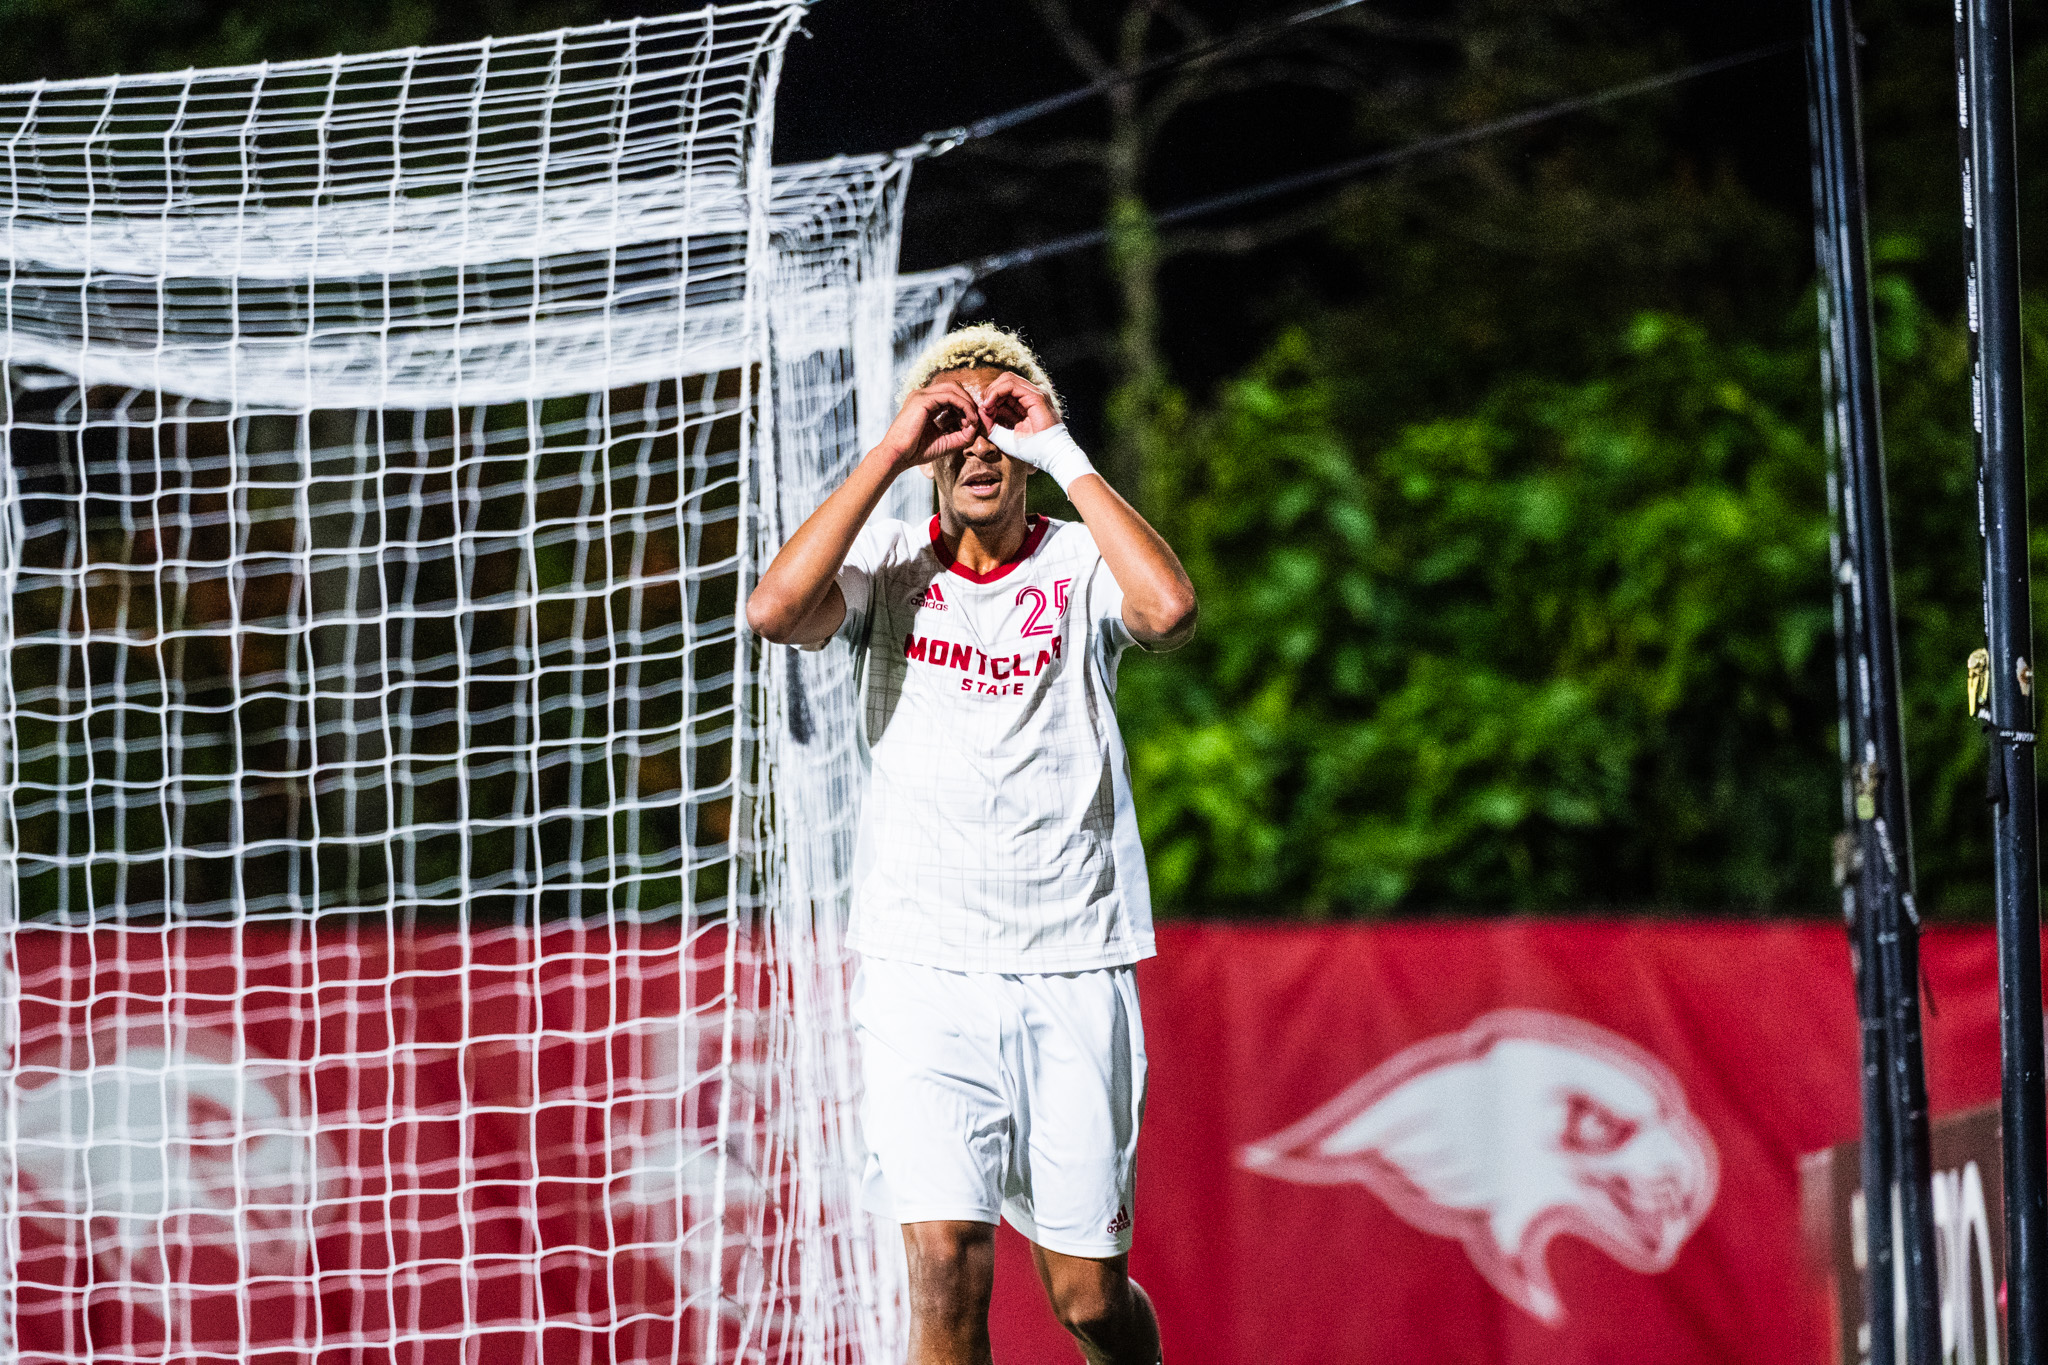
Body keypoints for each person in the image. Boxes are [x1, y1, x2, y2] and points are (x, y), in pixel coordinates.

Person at [746, 324, 1195, 1365]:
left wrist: (1065, 452)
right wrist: (892, 448)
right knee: (944, 1267)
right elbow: (772, 610)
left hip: (1070, 965)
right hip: (922, 970)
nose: (979, 444)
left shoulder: (1082, 564)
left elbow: (1169, 611)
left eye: (1003, 422)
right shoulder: (888, 563)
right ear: (928, 449)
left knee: (1086, 1301)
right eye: (955, 424)